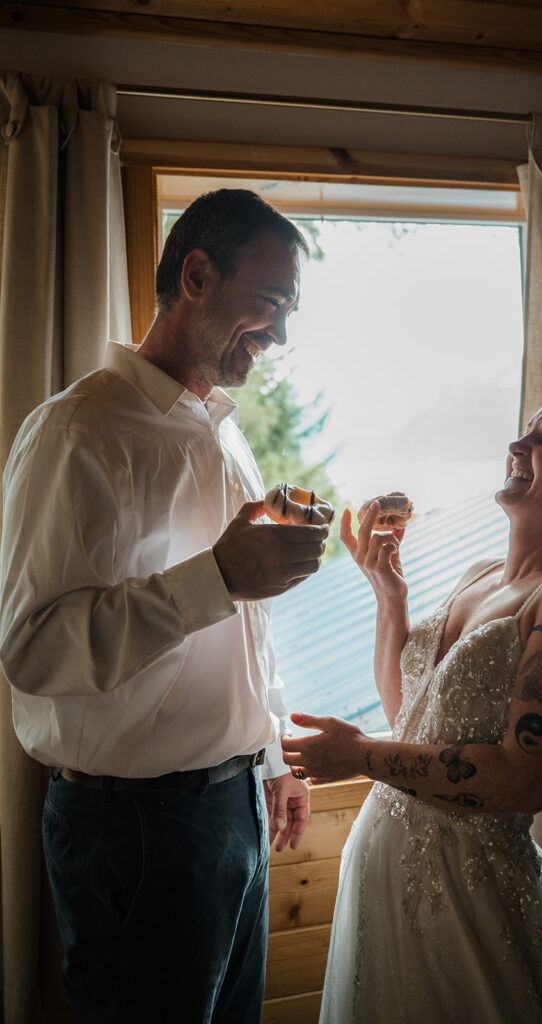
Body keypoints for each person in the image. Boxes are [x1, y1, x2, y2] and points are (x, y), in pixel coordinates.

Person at [0, 189, 329, 1024]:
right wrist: (217, 576)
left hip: (234, 807)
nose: (281, 333)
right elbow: (34, 649)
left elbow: (241, 627)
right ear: (195, 275)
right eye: (272, 303)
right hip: (132, 830)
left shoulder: (223, 431)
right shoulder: (77, 433)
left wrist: (273, 757)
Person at [281, 379, 542, 1024]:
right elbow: (412, 718)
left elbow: (522, 779)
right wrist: (389, 596)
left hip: (468, 890)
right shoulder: (478, 575)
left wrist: (358, 754)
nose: (517, 443)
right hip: (384, 872)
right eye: (528, 428)